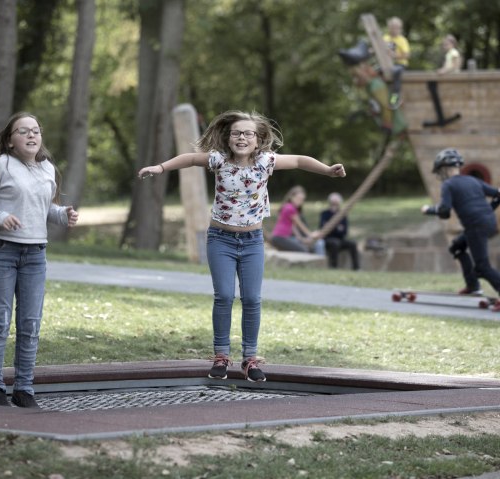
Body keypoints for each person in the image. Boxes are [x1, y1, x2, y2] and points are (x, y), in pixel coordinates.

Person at [138, 110, 346, 382]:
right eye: (236, 133)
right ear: (228, 138)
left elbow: (297, 160)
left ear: (258, 140)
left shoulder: (265, 162)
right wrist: (161, 167)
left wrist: (327, 169)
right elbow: (189, 159)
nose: (242, 137)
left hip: (252, 242)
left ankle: (250, 359)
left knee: (252, 299)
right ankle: (221, 356)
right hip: (220, 239)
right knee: (223, 296)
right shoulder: (218, 160)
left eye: (248, 133)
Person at [0, 112, 79, 407]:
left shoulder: (46, 168)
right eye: (23, 131)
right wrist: (0, 216)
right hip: (0, 251)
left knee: (30, 323)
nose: (32, 135)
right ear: (9, 140)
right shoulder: (0, 164)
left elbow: (44, 209)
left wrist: (63, 214)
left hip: (35, 255)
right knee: (0, 322)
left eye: (36, 131)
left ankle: (24, 388)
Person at [421, 148, 500, 311]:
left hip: (475, 226)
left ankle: (480, 283)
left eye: (440, 171)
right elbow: (498, 194)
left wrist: (428, 209)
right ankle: (473, 286)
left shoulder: (448, 185)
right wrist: (487, 211)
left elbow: (444, 211)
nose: (440, 175)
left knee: (482, 267)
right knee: (457, 247)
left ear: (444, 169)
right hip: (488, 223)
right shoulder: (472, 180)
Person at [270, 186, 325, 255]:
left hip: (278, 238)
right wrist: (311, 235)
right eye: (298, 199)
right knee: (304, 251)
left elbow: (293, 228)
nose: (300, 202)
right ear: (291, 197)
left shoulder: (287, 206)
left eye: (302, 200)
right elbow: (300, 224)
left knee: (305, 248)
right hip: (280, 238)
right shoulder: (290, 208)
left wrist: (302, 240)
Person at [319, 192, 360, 270]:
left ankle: (356, 268)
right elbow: (323, 229)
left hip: (340, 239)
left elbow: (344, 231)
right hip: (329, 240)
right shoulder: (325, 214)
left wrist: (332, 228)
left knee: (353, 244)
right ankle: (334, 267)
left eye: (336, 203)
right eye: (333, 203)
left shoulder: (342, 215)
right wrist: (337, 228)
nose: (334, 205)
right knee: (335, 243)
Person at [382, 16, 410, 109]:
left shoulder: (402, 40)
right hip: (386, 64)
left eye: (397, 28)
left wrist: (394, 56)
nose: (395, 30)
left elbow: (407, 55)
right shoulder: (385, 38)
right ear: (389, 27)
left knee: (395, 73)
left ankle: (394, 100)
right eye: (393, 27)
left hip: (399, 65)